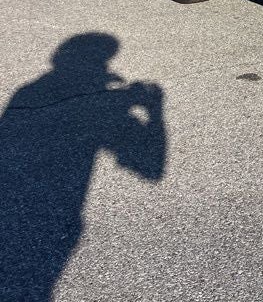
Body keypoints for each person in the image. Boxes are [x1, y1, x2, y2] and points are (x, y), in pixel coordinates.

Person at [0, 33, 166, 301]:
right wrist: (156, 110)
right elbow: (151, 169)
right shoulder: (108, 105)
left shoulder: (27, 90)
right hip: (56, 225)